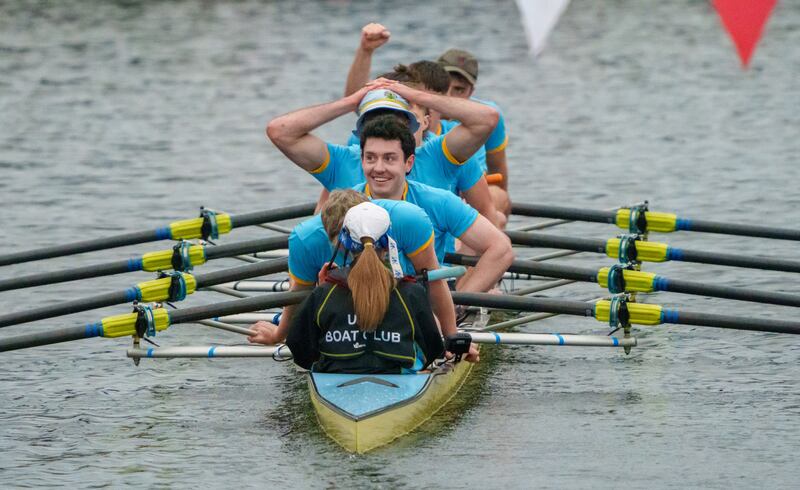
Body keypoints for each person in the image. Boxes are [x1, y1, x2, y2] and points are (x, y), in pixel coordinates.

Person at [247, 189, 468, 355]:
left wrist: (451, 337)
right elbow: (299, 296)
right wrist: (279, 334)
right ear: (328, 235)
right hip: (346, 306)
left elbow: (434, 281)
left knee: (433, 324)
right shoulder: (305, 240)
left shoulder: (409, 220)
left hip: (400, 297)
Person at [266, 77, 501, 227]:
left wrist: (415, 95)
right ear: (363, 126)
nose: (383, 125)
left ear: (410, 123)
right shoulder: (343, 160)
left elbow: (487, 119)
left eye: (391, 117)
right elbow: (279, 131)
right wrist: (350, 102)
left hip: (425, 283)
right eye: (374, 118)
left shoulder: (435, 156)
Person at [353, 112, 513, 293]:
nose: (379, 168)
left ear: (408, 163)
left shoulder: (438, 201)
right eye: (371, 158)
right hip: (363, 299)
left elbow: (501, 249)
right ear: (361, 160)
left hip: (425, 301)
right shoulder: (346, 204)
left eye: (389, 158)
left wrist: (458, 304)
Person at [284, 201, 450, 373]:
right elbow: (433, 349)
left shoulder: (324, 292)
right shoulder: (410, 292)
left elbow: (297, 344)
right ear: (388, 242)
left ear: (345, 241)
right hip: (399, 378)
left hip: (333, 375)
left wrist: (319, 364)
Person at [438, 48, 511, 218]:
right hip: (440, 193)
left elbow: (498, 170)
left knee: (497, 197)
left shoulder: (489, 115)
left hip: (474, 195)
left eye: (459, 89)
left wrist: (501, 208)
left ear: (471, 91)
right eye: (444, 87)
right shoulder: (420, 112)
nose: (449, 96)